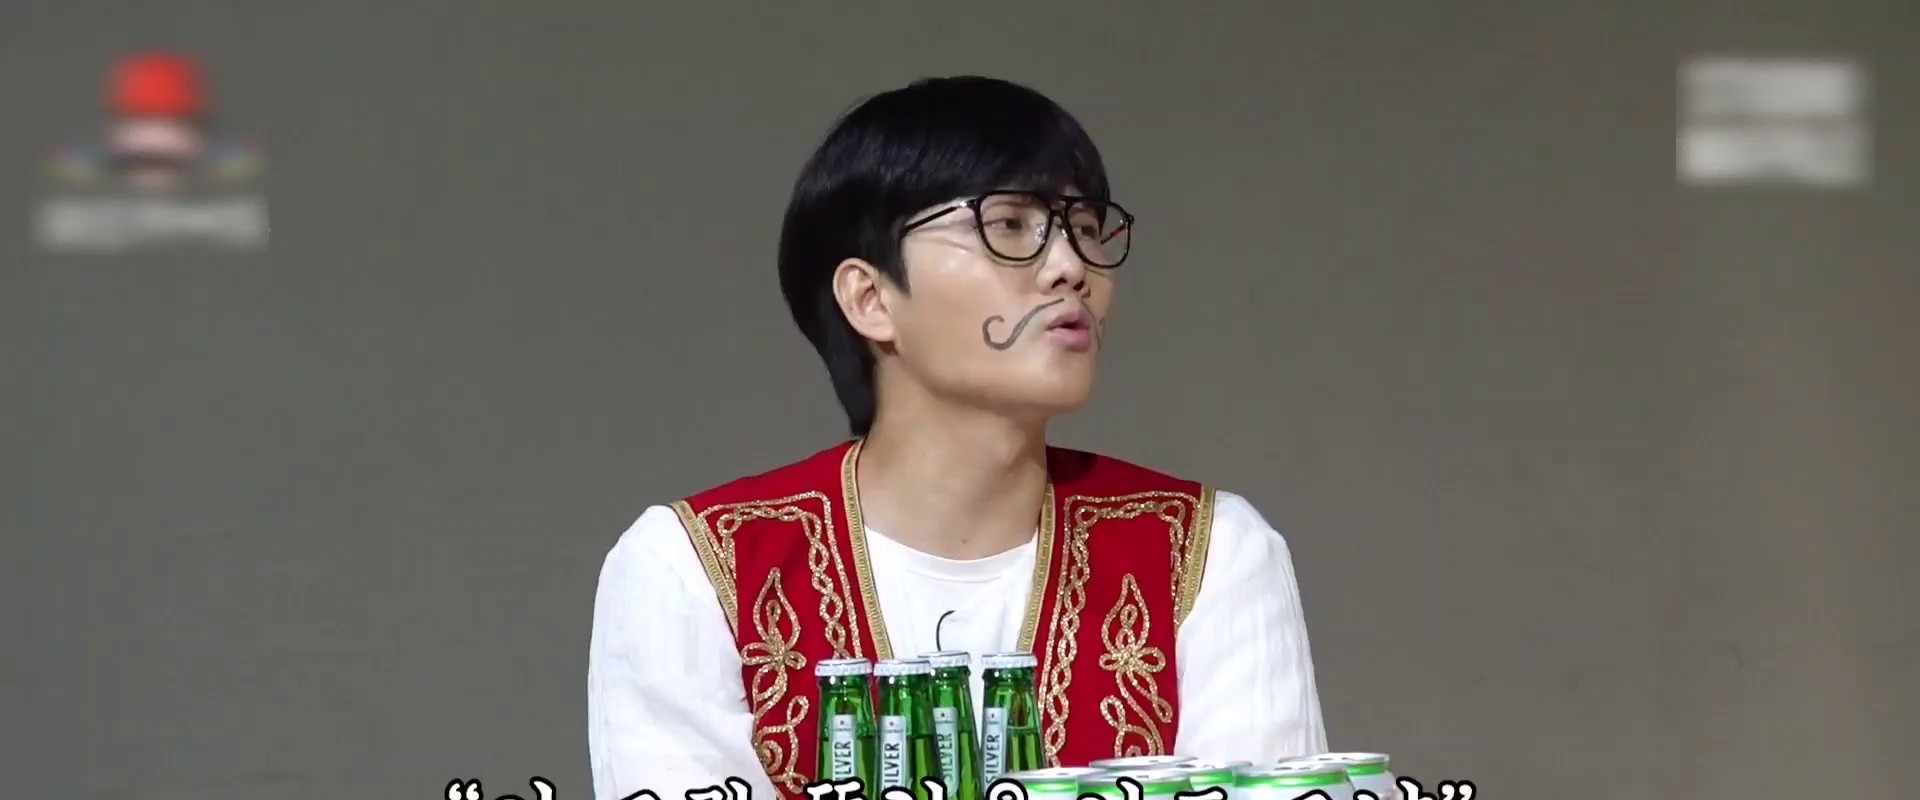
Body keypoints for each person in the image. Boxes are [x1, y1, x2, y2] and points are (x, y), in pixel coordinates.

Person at [588, 76, 1326, 800]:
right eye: (1009, 226)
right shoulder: (694, 570)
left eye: (1085, 228)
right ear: (870, 298)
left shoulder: (1208, 553)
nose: (1071, 268)